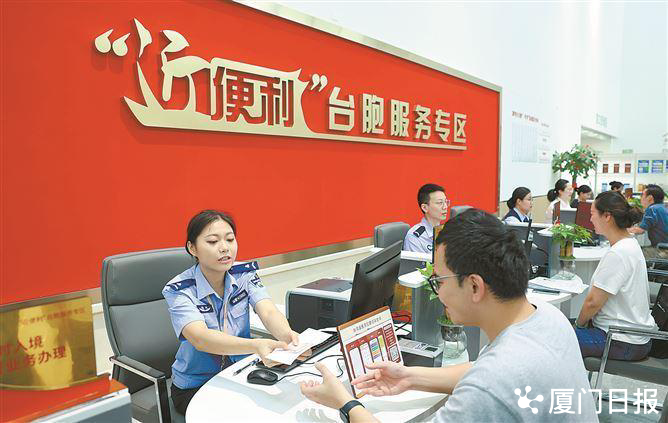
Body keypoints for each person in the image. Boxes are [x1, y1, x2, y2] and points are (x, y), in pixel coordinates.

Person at [300, 209, 596, 422]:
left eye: (439, 281)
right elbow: (479, 371)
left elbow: (488, 381)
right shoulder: (547, 317)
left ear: (475, 286)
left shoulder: (492, 385)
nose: (438, 293)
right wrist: (409, 377)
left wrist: (345, 403)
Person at [163, 210, 299, 414]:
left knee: (282, 404)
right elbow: (200, 338)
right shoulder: (179, 289)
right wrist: (256, 345)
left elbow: (268, 312)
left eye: (230, 239)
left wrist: (287, 336)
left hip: (238, 373)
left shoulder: (244, 274)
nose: (224, 248)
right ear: (192, 248)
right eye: (212, 241)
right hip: (196, 385)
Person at [575, 191, 657, 361]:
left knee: (554, 338)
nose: (590, 219)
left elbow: (592, 303)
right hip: (632, 337)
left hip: (621, 341)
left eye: (592, 214)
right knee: (559, 327)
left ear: (607, 216)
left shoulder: (619, 253)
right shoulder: (629, 244)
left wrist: (578, 326)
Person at [403, 183, 449, 253]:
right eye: (440, 203)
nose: (445, 207)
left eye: (446, 202)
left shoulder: (446, 232)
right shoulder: (414, 238)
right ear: (424, 208)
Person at [628, 184, 668, 259]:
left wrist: (622, 230)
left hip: (663, 250)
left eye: (642, 195)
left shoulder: (652, 209)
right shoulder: (663, 207)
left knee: (632, 255)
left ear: (650, 198)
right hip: (663, 247)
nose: (641, 198)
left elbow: (640, 230)